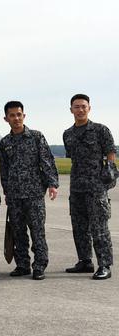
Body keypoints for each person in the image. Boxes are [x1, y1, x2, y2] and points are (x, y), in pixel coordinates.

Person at [0, 101, 58, 280]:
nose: (16, 118)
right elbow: (4, 170)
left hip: (34, 194)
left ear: (24, 115)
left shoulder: (36, 136)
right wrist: (7, 192)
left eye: (19, 114)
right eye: (12, 115)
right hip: (15, 195)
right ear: (6, 118)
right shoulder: (5, 142)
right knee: (18, 232)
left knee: (37, 231)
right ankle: (22, 265)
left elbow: (47, 161)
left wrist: (52, 184)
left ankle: (39, 265)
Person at [63, 94, 116, 280]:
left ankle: (104, 265)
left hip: (96, 187)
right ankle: (85, 261)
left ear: (89, 108)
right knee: (79, 227)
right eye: (76, 107)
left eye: (83, 106)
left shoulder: (101, 130)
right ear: (71, 110)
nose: (80, 110)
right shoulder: (67, 134)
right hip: (76, 186)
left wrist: (108, 175)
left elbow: (110, 153)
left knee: (99, 227)